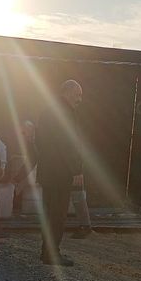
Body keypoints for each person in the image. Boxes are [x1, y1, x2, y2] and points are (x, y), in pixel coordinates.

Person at [36, 80, 84, 266]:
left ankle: (45, 251)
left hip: (47, 171)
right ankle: (52, 254)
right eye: (77, 95)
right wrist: (77, 170)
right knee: (57, 215)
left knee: (48, 213)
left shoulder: (47, 111)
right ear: (67, 92)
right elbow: (69, 144)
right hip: (60, 172)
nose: (79, 99)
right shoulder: (66, 113)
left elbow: (38, 141)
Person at [3, 120, 37, 216]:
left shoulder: (39, 140)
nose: (23, 136)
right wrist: (18, 178)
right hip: (37, 169)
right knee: (19, 185)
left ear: (31, 130)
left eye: (24, 132)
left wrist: (18, 178)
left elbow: (32, 160)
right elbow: (31, 161)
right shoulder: (30, 142)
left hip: (50, 169)